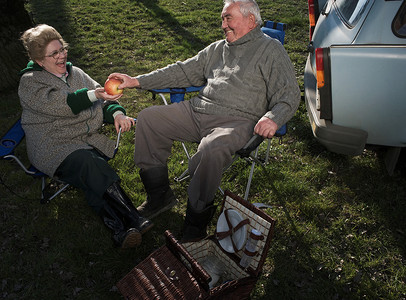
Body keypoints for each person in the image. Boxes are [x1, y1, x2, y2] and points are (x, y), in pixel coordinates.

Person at [109, 0, 301, 242]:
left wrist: (273, 118)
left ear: (251, 20)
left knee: (211, 149)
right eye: (222, 19)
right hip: (198, 110)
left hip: (237, 121)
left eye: (228, 18)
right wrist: (137, 80)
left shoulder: (271, 50)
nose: (223, 25)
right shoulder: (218, 49)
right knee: (149, 119)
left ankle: (195, 221)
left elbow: (290, 94)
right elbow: (182, 71)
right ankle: (159, 196)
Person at [18, 24, 153, 248]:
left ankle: (120, 231)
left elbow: (103, 97)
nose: (62, 56)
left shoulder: (76, 73)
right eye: (54, 54)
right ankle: (133, 218)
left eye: (62, 49)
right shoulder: (30, 82)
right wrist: (92, 94)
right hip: (51, 144)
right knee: (89, 164)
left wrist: (118, 113)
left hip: (81, 140)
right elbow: (62, 104)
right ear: (40, 60)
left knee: (90, 173)